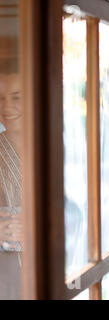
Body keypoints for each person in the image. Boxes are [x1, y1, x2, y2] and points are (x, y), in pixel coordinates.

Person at [0, 71, 23, 299]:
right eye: (0, 98)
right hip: (5, 277)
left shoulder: (58, 145)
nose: (6, 106)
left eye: (16, 97)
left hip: (54, 268)